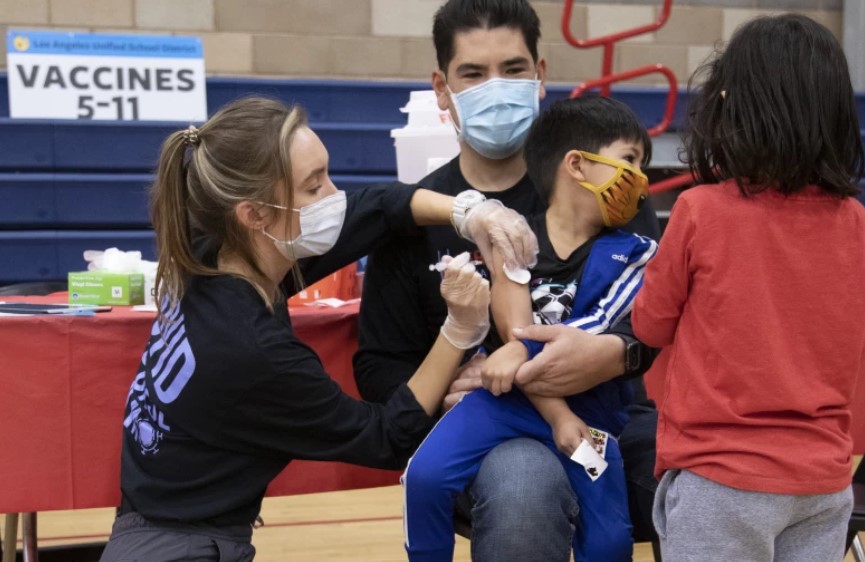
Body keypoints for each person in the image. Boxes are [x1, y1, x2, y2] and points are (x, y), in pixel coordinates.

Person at [100, 96, 537, 562]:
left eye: (327, 173)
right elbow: (386, 437)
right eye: (313, 187)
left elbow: (378, 207)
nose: (333, 197)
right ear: (253, 214)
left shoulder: (209, 252)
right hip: (183, 547)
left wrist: (468, 211)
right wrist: (457, 330)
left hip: (153, 524)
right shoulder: (252, 349)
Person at [354, 1, 663, 558]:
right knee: (524, 489)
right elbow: (378, 366)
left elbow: (656, 319)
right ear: (442, 87)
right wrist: (448, 385)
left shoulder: (609, 192)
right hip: (492, 431)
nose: (496, 87)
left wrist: (619, 353)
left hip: (607, 413)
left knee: (703, 477)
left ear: (540, 75)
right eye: (473, 73)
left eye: (514, 69)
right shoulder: (420, 215)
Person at [632, 14, 865, 562]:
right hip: (822, 482)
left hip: (721, 479)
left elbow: (649, 325)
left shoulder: (700, 210)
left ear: (732, 105)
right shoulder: (857, 223)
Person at [403, 96, 657, 562]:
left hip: (594, 416)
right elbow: (515, 325)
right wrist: (552, 406)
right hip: (508, 406)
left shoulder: (639, 252)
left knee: (609, 541)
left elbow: (597, 326)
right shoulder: (512, 237)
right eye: (630, 161)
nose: (641, 180)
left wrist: (521, 355)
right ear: (577, 165)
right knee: (424, 477)